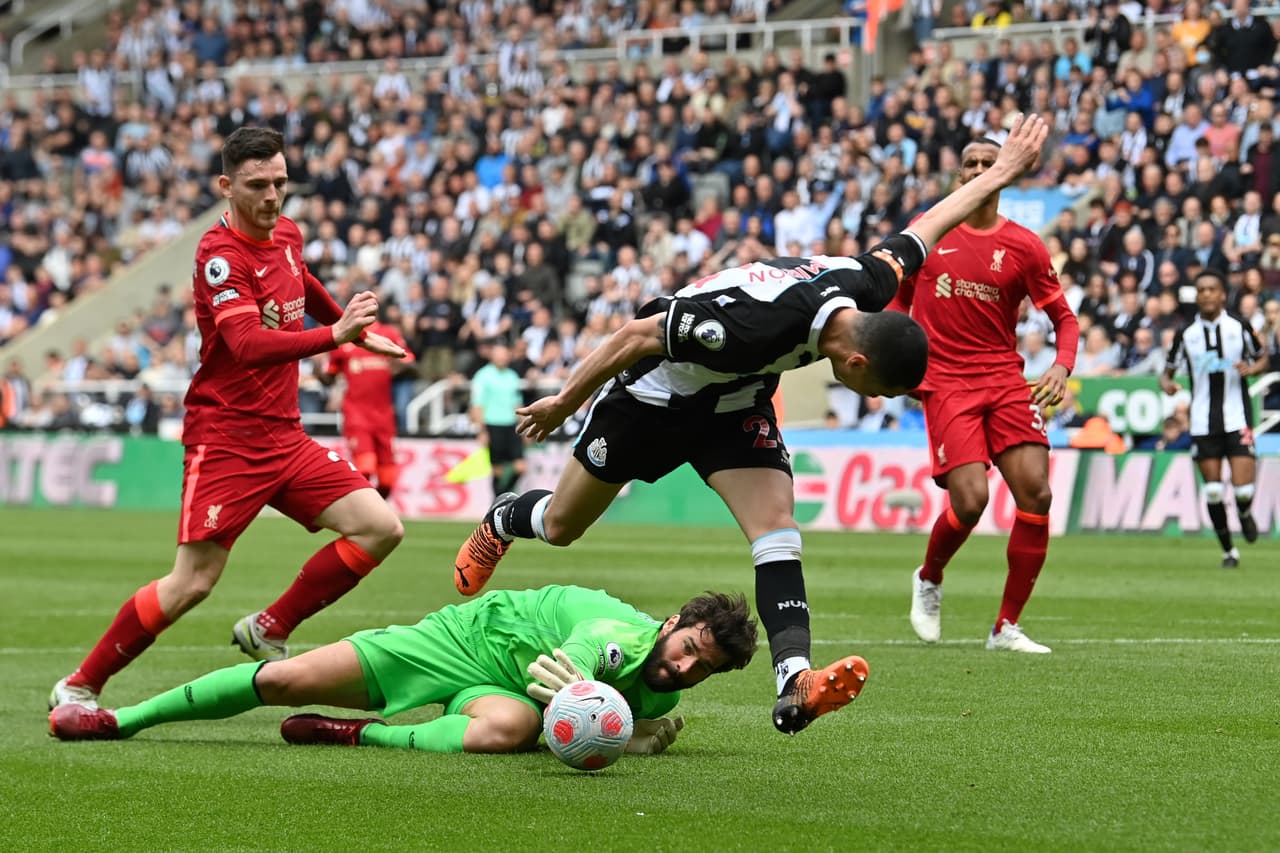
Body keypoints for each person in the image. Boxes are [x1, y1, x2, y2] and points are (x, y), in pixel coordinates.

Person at [454, 115, 1051, 734]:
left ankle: (795, 679)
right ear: (856, 360)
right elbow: (634, 336)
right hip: (652, 400)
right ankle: (504, 516)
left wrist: (1004, 171)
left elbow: (928, 225)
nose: (872, 400)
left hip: (734, 404)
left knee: (777, 530)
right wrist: (561, 401)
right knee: (560, 525)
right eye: (876, 390)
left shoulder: (869, 282)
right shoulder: (746, 327)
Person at [48, 127, 408, 711]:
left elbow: (302, 281)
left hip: (285, 434)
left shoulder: (285, 232)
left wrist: (353, 330)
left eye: (280, 183)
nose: (272, 197)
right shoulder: (220, 257)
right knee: (192, 583)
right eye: (257, 185)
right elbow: (244, 343)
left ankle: (269, 627)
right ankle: (81, 685)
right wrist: (334, 337)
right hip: (227, 438)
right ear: (226, 186)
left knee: (380, 528)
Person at [49, 585, 756, 758]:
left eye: (702, 667)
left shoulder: (663, 676)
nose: (684, 664)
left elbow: (567, 717)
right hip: (457, 641)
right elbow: (586, 658)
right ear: (669, 624)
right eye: (688, 644)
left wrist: (624, 728)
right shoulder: (615, 640)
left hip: (503, 688)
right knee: (282, 680)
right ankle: (123, 718)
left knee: (498, 731)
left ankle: (361, 735)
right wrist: (608, 717)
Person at [891, 135, 1080, 655]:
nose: (977, 170)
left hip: (1003, 380)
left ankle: (1005, 627)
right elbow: (895, 306)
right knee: (971, 501)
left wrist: (1062, 366)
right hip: (947, 382)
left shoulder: (1024, 245)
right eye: (968, 163)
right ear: (958, 177)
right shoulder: (927, 234)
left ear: (1005, 174)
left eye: (987, 163)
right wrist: (893, 365)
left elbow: (1064, 319)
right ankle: (929, 577)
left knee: (1037, 495)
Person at [1160, 270, 1268, 568]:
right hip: (1202, 421)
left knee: (1243, 489)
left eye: (1212, 289)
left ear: (1222, 294)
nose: (1206, 294)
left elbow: (1263, 355)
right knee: (1213, 489)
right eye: (1202, 290)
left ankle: (1244, 513)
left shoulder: (1239, 326)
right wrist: (1167, 384)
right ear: (1197, 296)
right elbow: (1166, 372)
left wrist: (1254, 368)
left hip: (1237, 417)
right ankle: (1228, 551)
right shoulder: (1186, 334)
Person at [320, 309, 416, 499]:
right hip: (356, 414)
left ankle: (370, 518)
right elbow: (329, 376)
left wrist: (401, 365)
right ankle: (355, 520)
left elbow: (412, 365)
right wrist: (319, 366)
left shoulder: (389, 334)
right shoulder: (345, 337)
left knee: (388, 480)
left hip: (384, 417)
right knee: (365, 468)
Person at [470, 340, 527, 498]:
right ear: (492, 356)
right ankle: (498, 502)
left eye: (504, 355)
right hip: (492, 425)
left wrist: (525, 427)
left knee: (520, 467)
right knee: (497, 469)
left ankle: (502, 496)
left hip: (511, 426)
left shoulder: (512, 376)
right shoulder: (483, 376)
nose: (502, 358)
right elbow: (477, 405)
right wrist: (481, 430)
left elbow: (518, 404)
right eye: (498, 355)